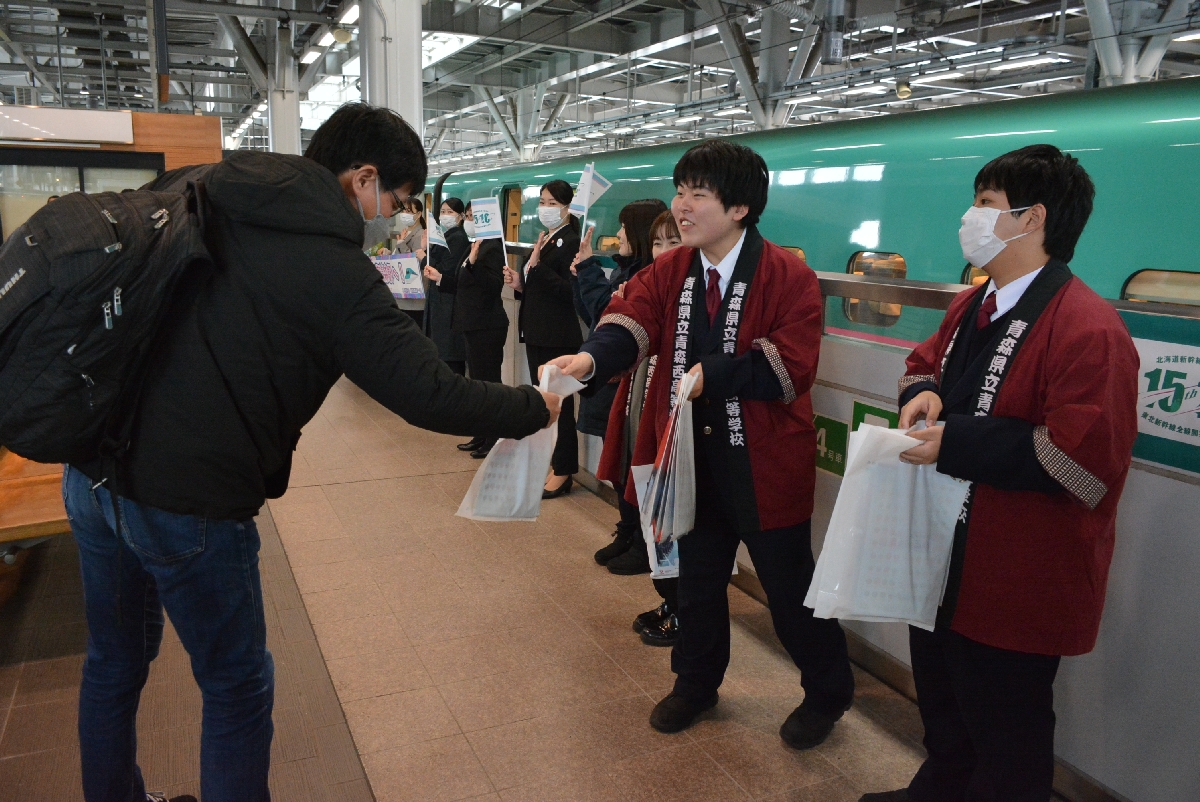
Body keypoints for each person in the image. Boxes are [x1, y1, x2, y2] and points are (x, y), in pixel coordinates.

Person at [62, 102, 561, 802]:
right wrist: (532, 406)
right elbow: (428, 393)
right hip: (190, 498)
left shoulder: (195, 186)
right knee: (235, 687)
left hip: (91, 469)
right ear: (363, 178)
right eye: (398, 199)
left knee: (113, 664)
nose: (394, 215)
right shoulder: (333, 267)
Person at [545, 140, 855, 745]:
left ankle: (827, 694)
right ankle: (695, 684)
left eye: (698, 194)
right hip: (687, 459)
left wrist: (717, 373)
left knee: (789, 591)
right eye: (680, 191)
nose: (681, 206)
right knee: (697, 583)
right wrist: (588, 361)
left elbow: (791, 367)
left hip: (763, 463)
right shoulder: (671, 270)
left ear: (740, 208)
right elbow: (630, 323)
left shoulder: (787, 275)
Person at [861, 145, 1140, 802]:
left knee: (1007, 727)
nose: (971, 217)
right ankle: (940, 785)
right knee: (944, 696)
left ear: (1031, 218)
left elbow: (1083, 461)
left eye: (985, 203)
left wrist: (955, 441)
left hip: (1018, 571)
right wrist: (922, 395)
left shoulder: (1089, 328)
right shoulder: (973, 304)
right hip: (945, 550)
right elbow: (923, 363)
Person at [571, 198, 668, 577]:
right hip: (615, 383)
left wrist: (588, 270)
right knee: (621, 461)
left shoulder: (647, 278)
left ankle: (644, 542)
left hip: (633, 384)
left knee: (635, 465)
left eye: (625, 227)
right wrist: (582, 274)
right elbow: (597, 318)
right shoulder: (629, 271)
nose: (619, 234)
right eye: (658, 242)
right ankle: (628, 531)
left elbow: (606, 313)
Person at [503, 179, 583, 498]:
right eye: (542, 201)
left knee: (559, 402)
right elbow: (538, 287)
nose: (545, 208)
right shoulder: (547, 237)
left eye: (552, 203)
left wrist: (537, 267)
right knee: (547, 400)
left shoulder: (571, 241)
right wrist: (520, 283)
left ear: (567, 207)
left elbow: (570, 293)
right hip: (538, 331)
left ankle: (564, 470)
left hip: (557, 336)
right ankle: (554, 463)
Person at [428, 200, 511, 458]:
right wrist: (440, 278)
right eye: (469, 215)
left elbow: (493, 285)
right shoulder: (474, 245)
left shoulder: (493, 248)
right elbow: (461, 282)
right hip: (471, 324)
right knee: (476, 383)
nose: (470, 221)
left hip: (487, 325)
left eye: (476, 216)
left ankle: (493, 437)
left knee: (489, 384)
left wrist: (473, 264)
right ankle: (481, 433)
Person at [422, 198, 469, 375]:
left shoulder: (457, 238)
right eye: (443, 212)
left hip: (447, 304)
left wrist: (424, 256)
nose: (445, 215)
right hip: (439, 302)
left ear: (460, 216)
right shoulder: (447, 236)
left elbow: (445, 269)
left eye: (450, 212)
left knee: (449, 357)